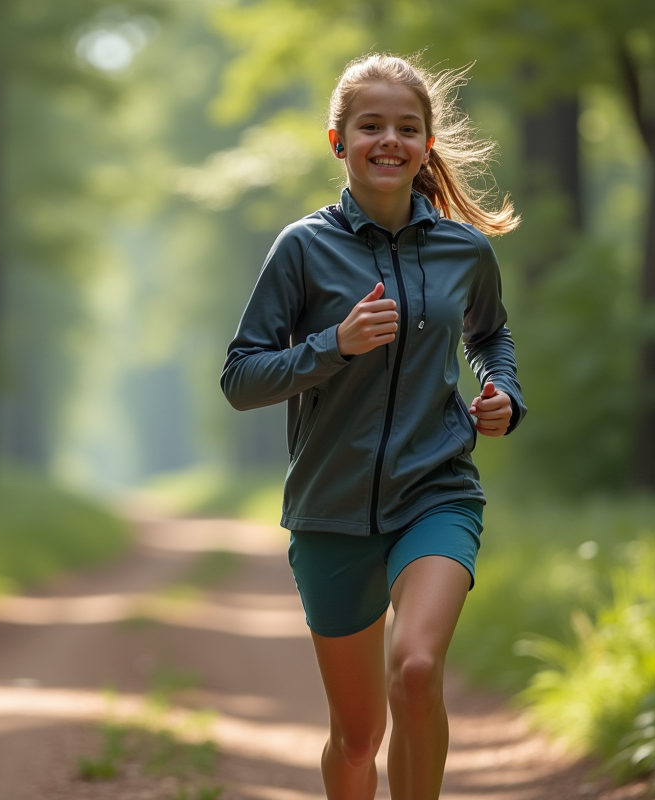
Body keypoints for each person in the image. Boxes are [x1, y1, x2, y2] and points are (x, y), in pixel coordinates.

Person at [220, 53, 527, 799]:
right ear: (338, 141)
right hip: (330, 508)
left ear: (426, 146)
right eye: (371, 126)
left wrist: (503, 394)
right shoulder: (302, 248)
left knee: (417, 669)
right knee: (357, 738)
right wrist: (333, 346)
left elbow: (491, 336)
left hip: (437, 491)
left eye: (407, 127)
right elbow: (240, 377)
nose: (389, 139)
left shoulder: (464, 250)